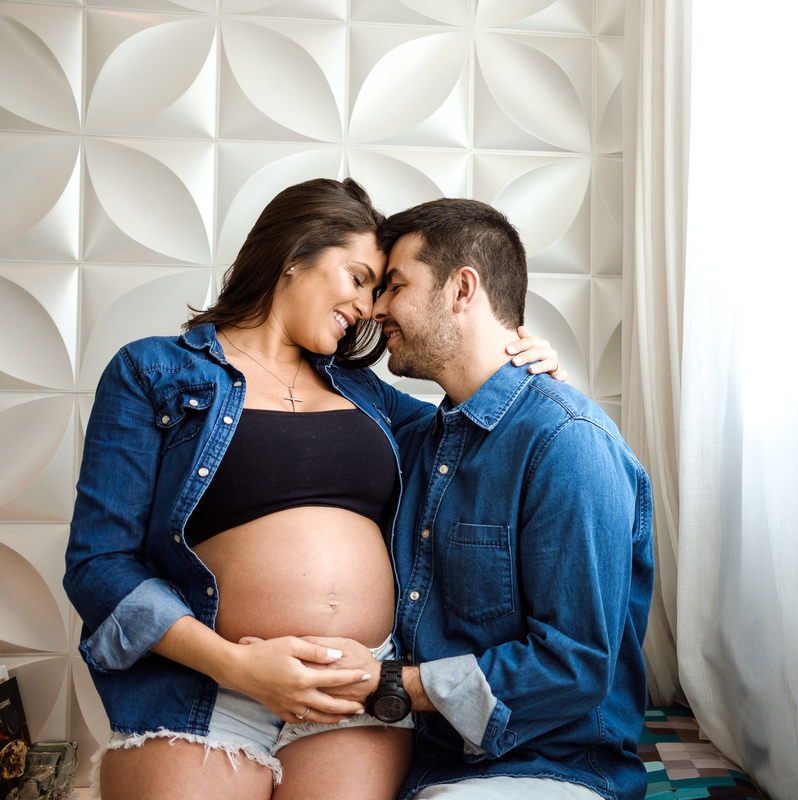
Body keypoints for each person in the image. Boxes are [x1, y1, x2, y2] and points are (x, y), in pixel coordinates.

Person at [63, 179, 563, 800]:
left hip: (353, 692)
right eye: (358, 278)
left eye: (381, 289)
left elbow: (473, 436)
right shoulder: (153, 371)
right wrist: (239, 665)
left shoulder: (370, 397)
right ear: (295, 254)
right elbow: (98, 564)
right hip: (208, 687)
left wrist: (513, 364)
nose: (369, 307)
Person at [310, 198, 654, 800]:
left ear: (462, 288)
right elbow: (306, 367)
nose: (377, 307)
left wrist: (392, 683)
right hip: (423, 761)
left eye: (395, 284)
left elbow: (574, 663)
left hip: (549, 766)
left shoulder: (567, 444)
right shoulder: (417, 438)